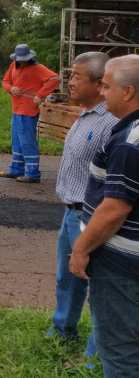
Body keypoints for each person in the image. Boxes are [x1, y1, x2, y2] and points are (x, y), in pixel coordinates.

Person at [70, 54, 139, 378]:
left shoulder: (129, 142)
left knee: (120, 352)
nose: (102, 92)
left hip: (121, 265)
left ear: (128, 92)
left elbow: (114, 210)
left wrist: (81, 248)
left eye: (107, 87)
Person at [49, 52, 117, 364]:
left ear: (99, 83)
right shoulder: (86, 113)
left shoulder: (112, 121)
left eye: (76, 76)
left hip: (92, 216)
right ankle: (62, 330)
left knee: (99, 287)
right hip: (71, 211)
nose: (70, 82)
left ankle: (95, 356)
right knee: (68, 277)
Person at [0, 44, 61, 183]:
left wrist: (40, 94)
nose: (23, 61)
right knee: (17, 142)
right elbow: (5, 81)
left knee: (27, 143)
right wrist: (11, 88)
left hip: (28, 111)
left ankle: (33, 174)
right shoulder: (13, 66)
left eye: (25, 59)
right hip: (16, 111)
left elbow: (55, 79)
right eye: (20, 59)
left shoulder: (37, 68)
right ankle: (16, 170)